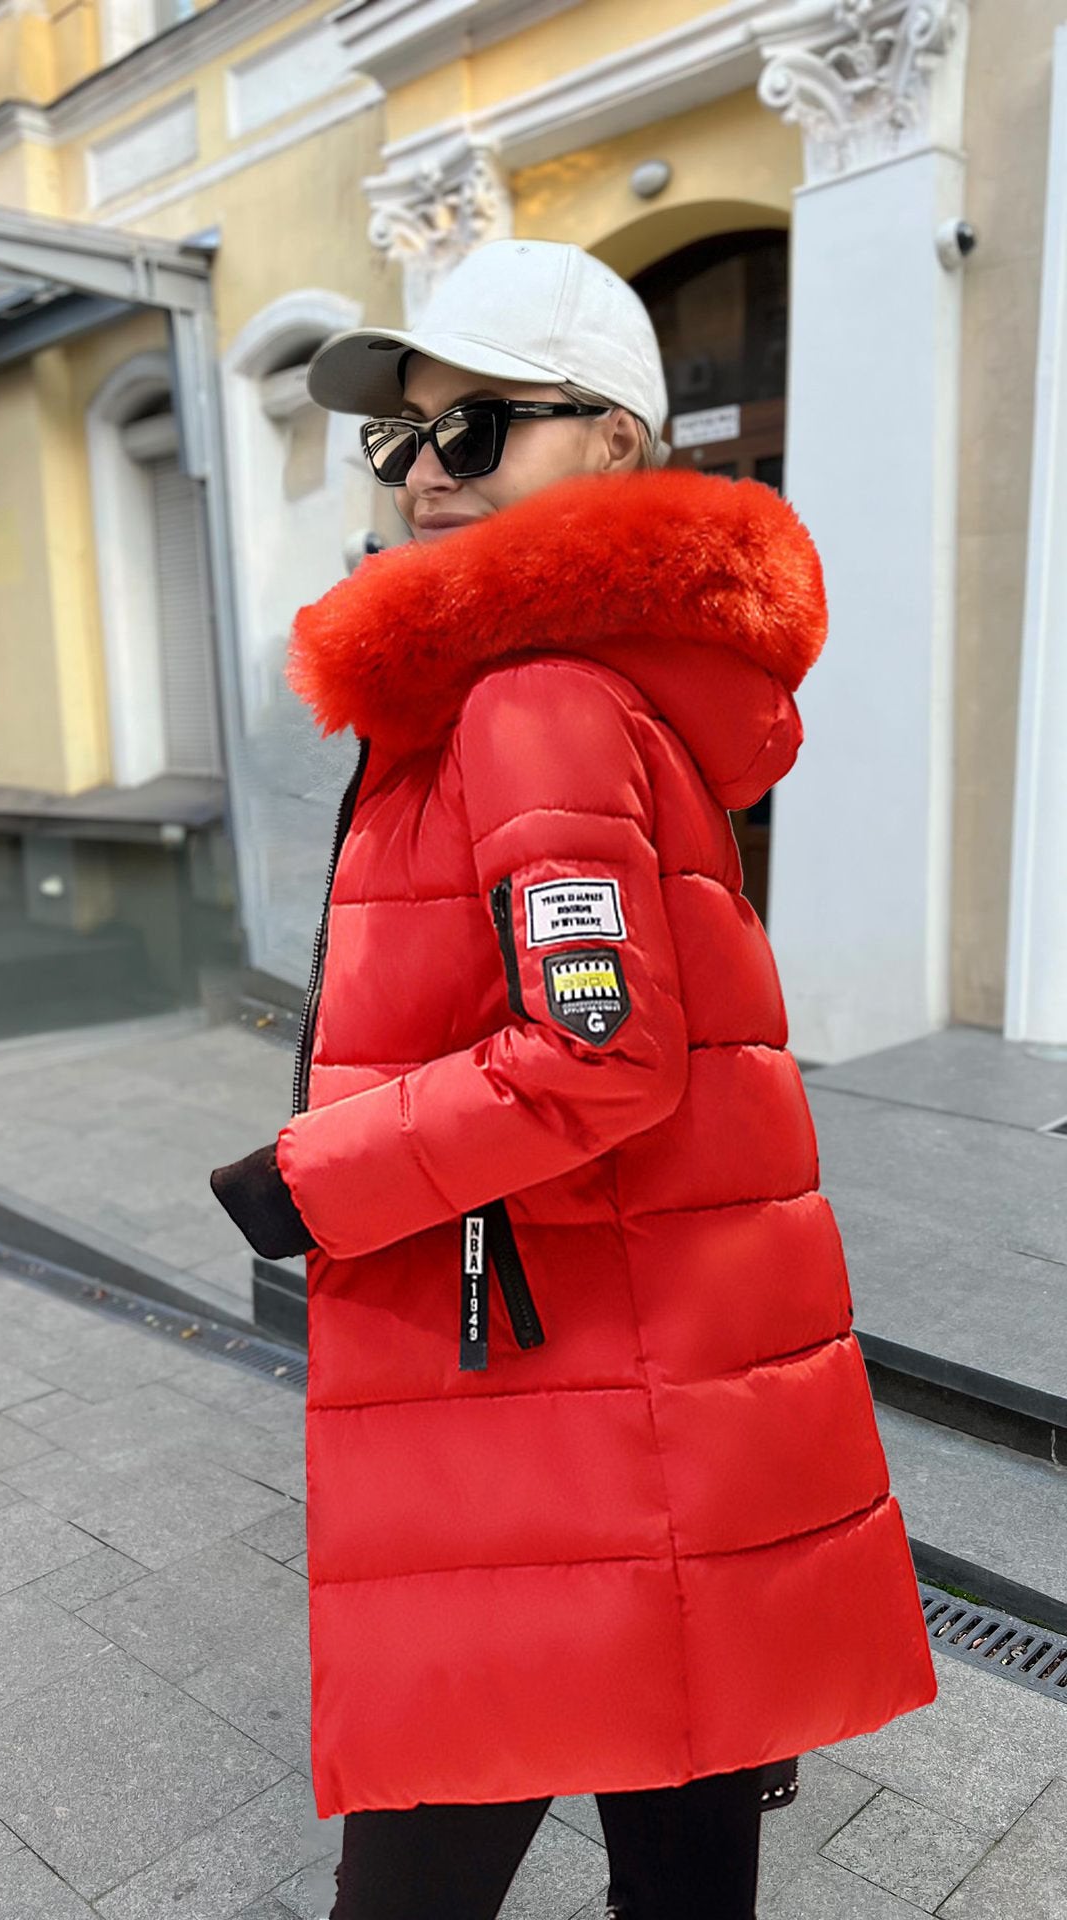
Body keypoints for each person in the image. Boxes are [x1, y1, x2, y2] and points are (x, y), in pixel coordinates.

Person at [211, 239, 936, 1920]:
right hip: (635, 1374)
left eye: (475, 427)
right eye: (401, 435)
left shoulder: (533, 690)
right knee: (681, 1843)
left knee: (421, 1868)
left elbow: (595, 1055)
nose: (422, 471)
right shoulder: (573, 686)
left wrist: (307, 1182)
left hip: (557, 1400)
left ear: (613, 440)